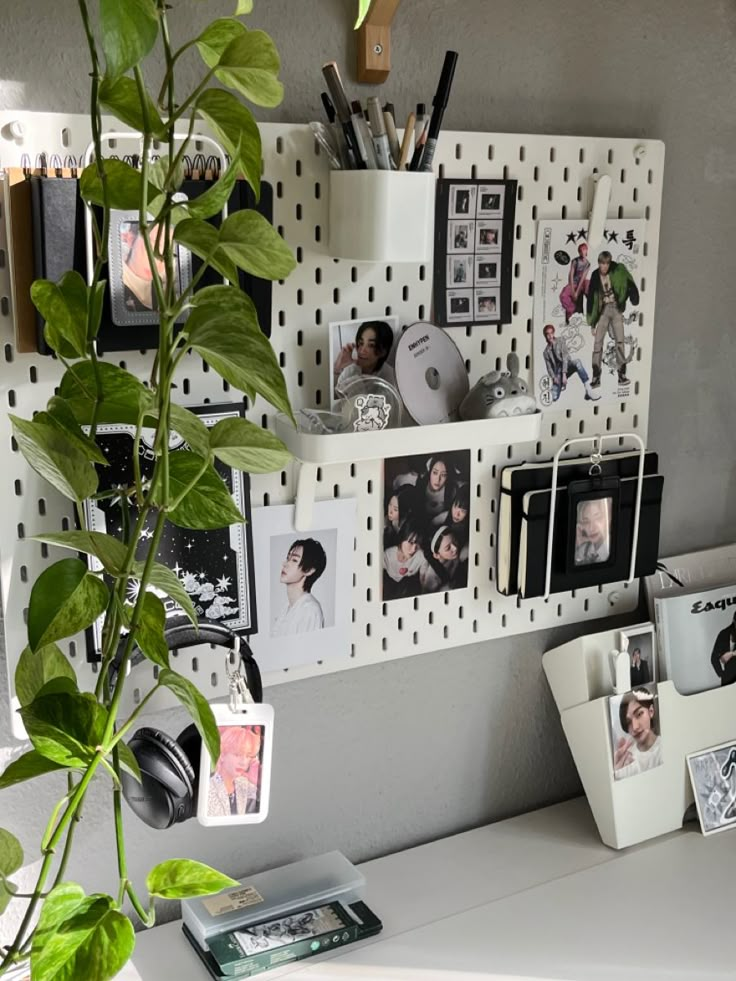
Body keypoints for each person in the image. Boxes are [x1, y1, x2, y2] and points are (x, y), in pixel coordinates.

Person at [586, 250, 640, 387]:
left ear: (609, 264)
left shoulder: (617, 270)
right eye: (601, 264)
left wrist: (632, 292)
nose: (604, 266)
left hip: (616, 309)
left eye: (606, 264)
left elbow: (627, 278)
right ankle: (596, 376)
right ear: (598, 263)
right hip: (603, 311)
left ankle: (622, 375)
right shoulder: (595, 275)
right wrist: (592, 322)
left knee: (620, 342)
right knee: (597, 343)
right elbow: (591, 299)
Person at [272, 539, 326, 636]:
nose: (285, 564)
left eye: (294, 560)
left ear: (309, 570)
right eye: (288, 558)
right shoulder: (286, 608)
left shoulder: (310, 610)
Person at [207, 725, 263, 816]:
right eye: (237, 754)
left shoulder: (244, 783)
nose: (243, 762)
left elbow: (264, 803)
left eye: (248, 756)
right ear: (222, 754)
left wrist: (259, 782)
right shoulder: (209, 787)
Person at [333, 320, 396, 397]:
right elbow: (335, 398)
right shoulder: (350, 370)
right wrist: (337, 369)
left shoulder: (390, 376)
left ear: (383, 351)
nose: (362, 350)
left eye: (371, 345)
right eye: (361, 343)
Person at [120, 220, 170, 313]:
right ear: (131, 239)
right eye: (154, 247)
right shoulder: (116, 280)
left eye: (171, 254)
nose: (160, 262)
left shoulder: (166, 294)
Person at [613, 688, 663, 779]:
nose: (635, 727)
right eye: (628, 722)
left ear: (651, 711)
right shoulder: (626, 756)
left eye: (639, 714)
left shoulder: (664, 749)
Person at [542, 324, 599, 402]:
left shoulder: (561, 340)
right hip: (557, 372)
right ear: (545, 336)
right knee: (554, 397)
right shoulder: (546, 352)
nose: (550, 335)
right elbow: (549, 367)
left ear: (554, 333)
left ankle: (588, 390)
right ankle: (559, 386)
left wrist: (564, 374)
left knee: (577, 362)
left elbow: (565, 356)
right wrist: (554, 377)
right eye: (547, 334)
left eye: (551, 333)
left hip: (567, 366)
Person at [383, 516, 429, 599]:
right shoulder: (387, 555)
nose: (414, 549)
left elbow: (424, 583)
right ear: (402, 538)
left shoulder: (421, 557)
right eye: (411, 542)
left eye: (418, 543)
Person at [421, 526, 464, 592]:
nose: (455, 548)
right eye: (448, 548)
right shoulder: (433, 577)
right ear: (437, 555)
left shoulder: (454, 555)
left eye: (454, 540)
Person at [559, 242, 590, 323]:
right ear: (579, 252)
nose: (583, 252)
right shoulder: (575, 261)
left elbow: (583, 278)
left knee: (591, 286)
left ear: (587, 251)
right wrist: (573, 291)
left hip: (582, 283)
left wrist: (577, 292)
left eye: (584, 250)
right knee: (563, 295)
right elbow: (571, 276)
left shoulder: (587, 264)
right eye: (581, 250)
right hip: (574, 283)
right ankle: (571, 309)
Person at [574, 498, 611, 565]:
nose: (591, 528)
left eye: (598, 518)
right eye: (586, 521)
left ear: (608, 517)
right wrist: (577, 544)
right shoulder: (583, 549)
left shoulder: (612, 550)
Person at [384, 484, 418, 548]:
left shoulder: (409, 528)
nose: (390, 512)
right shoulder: (387, 521)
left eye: (395, 509)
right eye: (390, 505)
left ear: (405, 511)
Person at [710, 612, 736, 687]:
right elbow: (714, 658)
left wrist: (732, 654)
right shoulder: (724, 634)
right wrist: (722, 674)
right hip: (729, 678)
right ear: (734, 621)